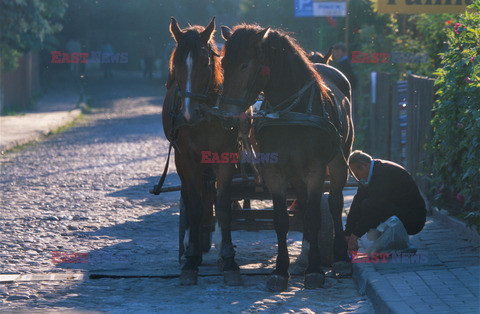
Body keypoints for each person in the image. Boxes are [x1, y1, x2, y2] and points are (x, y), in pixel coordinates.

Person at [344, 151, 426, 256]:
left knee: (369, 206)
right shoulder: (372, 172)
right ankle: (388, 240)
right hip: (398, 210)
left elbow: (374, 207)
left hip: (414, 219)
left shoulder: (383, 173)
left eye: (357, 174)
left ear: (364, 165)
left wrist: (354, 237)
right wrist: (347, 233)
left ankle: (397, 244)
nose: (358, 178)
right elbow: (357, 203)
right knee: (364, 203)